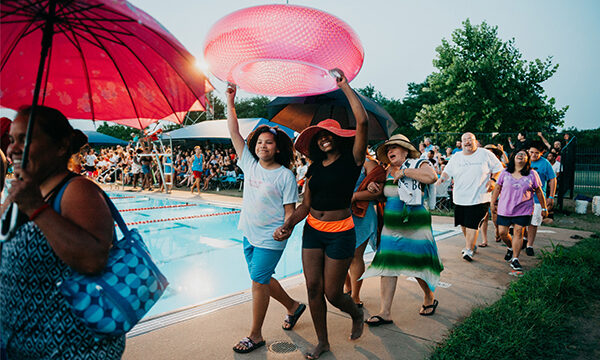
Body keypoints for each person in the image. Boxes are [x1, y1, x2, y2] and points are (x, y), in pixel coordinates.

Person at [0, 105, 124, 358]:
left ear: (59, 146)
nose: (13, 148)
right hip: (19, 344)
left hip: (68, 349)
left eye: (26, 138)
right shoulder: (23, 191)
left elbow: (93, 260)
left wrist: (36, 208)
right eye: (12, 140)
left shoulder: (77, 191)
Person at [274, 69, 367, 360]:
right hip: (313, 230)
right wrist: (289, 223)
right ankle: (323, 342)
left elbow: (361, 121)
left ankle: (356, 311)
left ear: (339, 137)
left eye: (330, 135)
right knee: (313, 288)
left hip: (341, 232)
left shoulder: (353, 160)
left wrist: (345, 87)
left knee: (333, 293)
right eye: (321, 136)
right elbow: (305, 205)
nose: (325, 139)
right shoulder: (314, 168)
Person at [226, 85, 306, 354]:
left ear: (278, 147)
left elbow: (289, 210)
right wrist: (230, 101)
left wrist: (287, 227)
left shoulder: (284, 175)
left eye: (268, 142)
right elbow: (234, 132)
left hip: (272, 237)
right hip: (248, 233)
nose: (263, 146)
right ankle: (294, 307)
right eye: (259, 142)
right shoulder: (249, 164)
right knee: (262, 277)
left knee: (258, 281)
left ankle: (255, 335)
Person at [363, 134, 443, 326]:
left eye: (395, 147)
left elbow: (432, 177)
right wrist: (375, 187)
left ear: (406, 150)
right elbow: (385, 196)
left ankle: (429, 297)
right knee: (388, 264)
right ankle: (385, 312)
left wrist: (405, 173)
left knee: (417, 264)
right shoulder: (386, 170)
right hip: (391, 227)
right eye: (388, 149)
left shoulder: (418, 163)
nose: (390, 151)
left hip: (416, 224)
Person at [437, 133, 503, 261]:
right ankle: (471, 244)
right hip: (460, 198)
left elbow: (499, 168)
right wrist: (441, 179)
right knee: (464, 224)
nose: (467, 142)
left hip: (480, 197)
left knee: (473, 224)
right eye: (464, 140)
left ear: (475, 141)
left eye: (470, 139)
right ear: (461, 143)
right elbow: (447, 172)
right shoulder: (456, 157)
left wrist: (493, 180)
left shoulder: (485, 154)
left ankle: (468, 249)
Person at [491, 150, 547, 271]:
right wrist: (492, 202)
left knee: (518, 232)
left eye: (524, 155)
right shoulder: (505, 172)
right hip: (505, 208)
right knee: (502, 233)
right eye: (518, 154)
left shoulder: (532, 174)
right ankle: (511, 247)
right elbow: (497, 188)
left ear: (527, 159)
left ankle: (515, 259)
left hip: (524, 208)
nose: (521, 155)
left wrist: (544, 207)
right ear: (513, 157)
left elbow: (539, 191)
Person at [344, 156, 385, 307]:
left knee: (355, 255)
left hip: (362, 215)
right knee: (338, 255)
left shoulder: (369, 163)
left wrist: (353, 196)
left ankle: (355, 296)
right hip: (340, 214)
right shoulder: (335, 161)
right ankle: (348, 286)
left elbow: (379, 192)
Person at [525, 142, 556, 256]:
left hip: (538, 198)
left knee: (534, 223)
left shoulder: (545, 163)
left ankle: (529, 245)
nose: (533, 155)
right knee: (521, 222)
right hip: (522, 198)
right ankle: (523, 239)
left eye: (536, 153)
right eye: (531, 152)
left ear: (541, 153)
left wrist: (551, 196)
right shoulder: (523, 161)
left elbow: (552, 179)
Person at [478, 144, 506, 246]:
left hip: (497, 191)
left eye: (491, 152)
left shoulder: (500, 164)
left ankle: (497, 229)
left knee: (495, 215)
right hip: (484, 191)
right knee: (483, 216)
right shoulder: (481, 163)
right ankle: (484, 240)